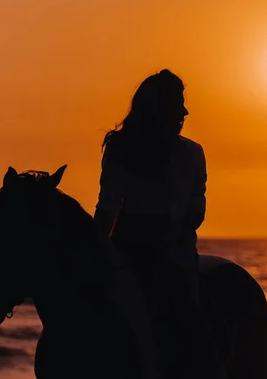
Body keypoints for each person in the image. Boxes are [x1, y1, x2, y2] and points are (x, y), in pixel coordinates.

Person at [93, 69, 220, 378]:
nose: (185, 111)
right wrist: (95, 249)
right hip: (128, 244)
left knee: (188, 324)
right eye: (178, 103)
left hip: (173, 248)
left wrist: (170, 240)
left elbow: (196, 206)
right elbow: (108, 205)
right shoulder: (121, 148)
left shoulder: (191, 153)